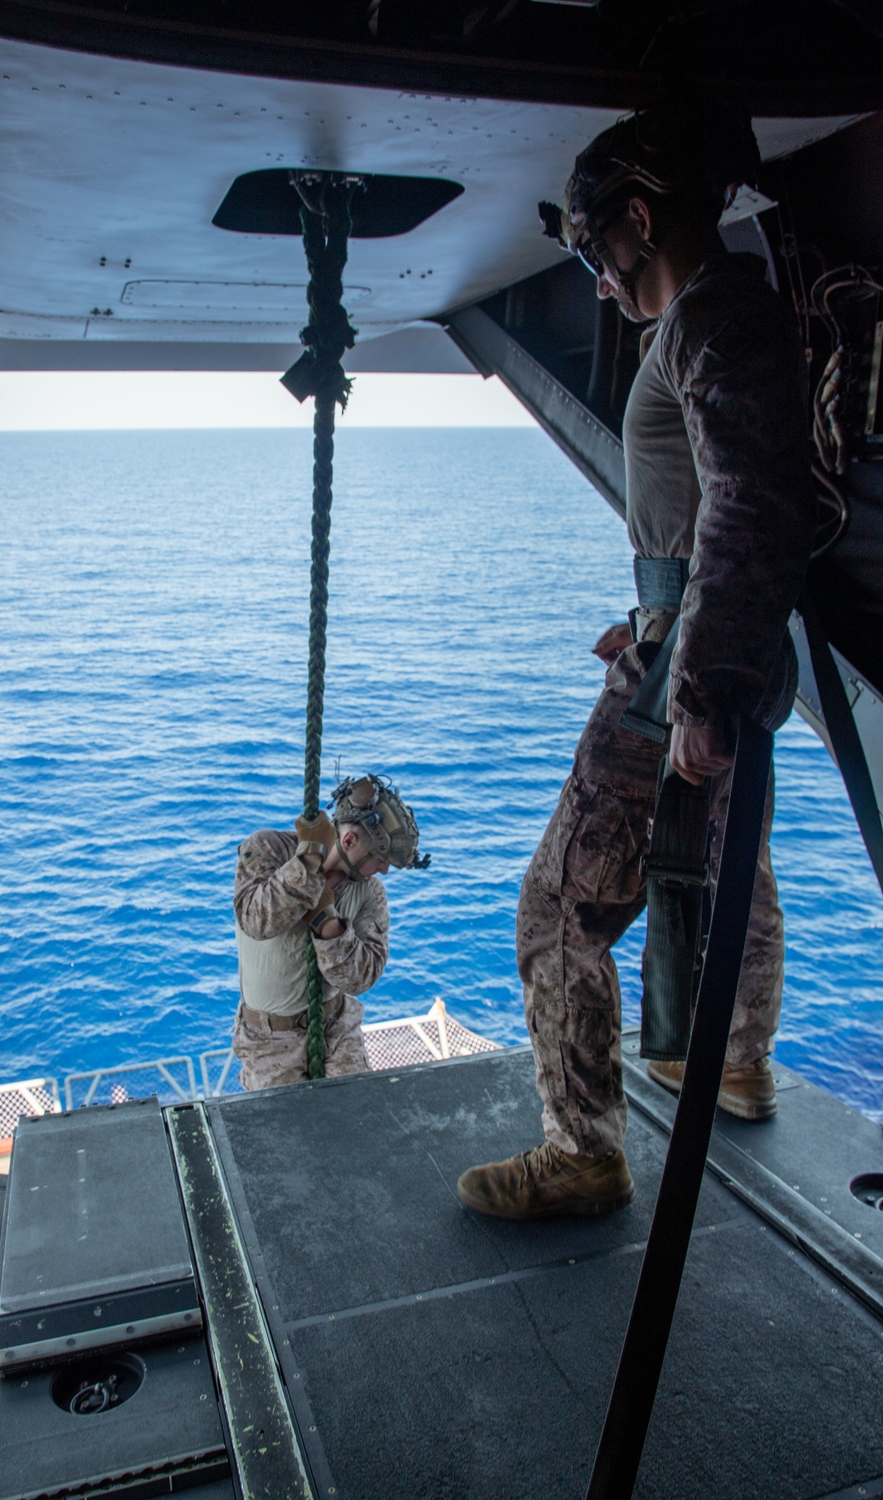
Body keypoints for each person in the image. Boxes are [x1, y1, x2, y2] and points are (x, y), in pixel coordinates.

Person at [457, 98, 816, 1220]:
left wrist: (696, 677)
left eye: (588, 241)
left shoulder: (710, 321)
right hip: (689, 638)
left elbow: (753, 504)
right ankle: (735, 1063)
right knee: (729, 864)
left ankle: (581, 1151)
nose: (591, 270)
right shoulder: (713, 320)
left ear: (640, 218)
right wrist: (655, 607)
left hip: (685, 669)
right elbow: (711, 509)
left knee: (559, 912)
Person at [232, 773, 428, 1090]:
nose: (384, 870)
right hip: (269, 1042)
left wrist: (329, 926)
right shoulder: (268, 849)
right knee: (285, 1133)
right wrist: (306, 868)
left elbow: (362, 977)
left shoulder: (370, 893)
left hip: (337, 1027)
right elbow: (255, 920)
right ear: (349, 841)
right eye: (380, 859)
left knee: (352, 1118)